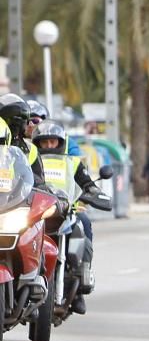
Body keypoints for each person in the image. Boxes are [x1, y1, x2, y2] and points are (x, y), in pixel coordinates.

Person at [33, 122, 106, 315]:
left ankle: (82, 279)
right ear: (37, 143)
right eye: (44, 142)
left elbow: (87, 183)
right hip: (39, 212)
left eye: (52, 141)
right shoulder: (31, 160)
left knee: (84, 224)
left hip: (67, 211)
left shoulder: (72, 163)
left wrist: (93, 192)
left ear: (61, 142)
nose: (49, 145)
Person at [0, 93, 46, 187]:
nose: (28, 123)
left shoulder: (30, 149)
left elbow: (39, 183)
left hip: (20, 199)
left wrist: (33, 181)